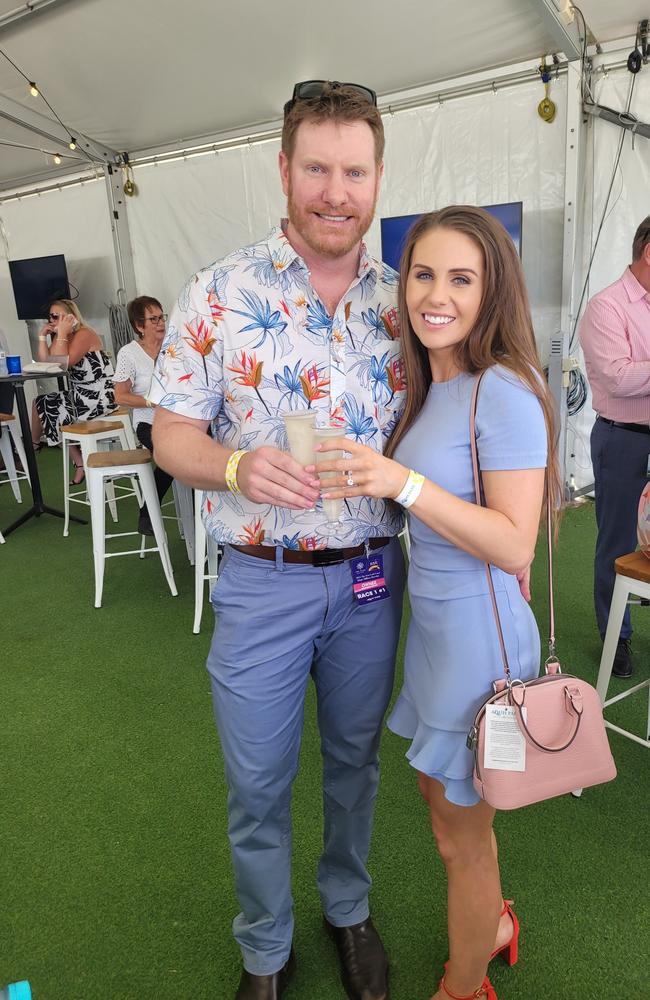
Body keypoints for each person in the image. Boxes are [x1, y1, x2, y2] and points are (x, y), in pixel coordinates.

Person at [150, 82, 406, 1000]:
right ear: (284, 168)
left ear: (377, 177)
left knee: (354, 764)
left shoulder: (403, 302)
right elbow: (168, 432)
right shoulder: (219, 294)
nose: (336, 192)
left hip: (373, 581)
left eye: (354, 171)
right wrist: (233, 468)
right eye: (318, 169)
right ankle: (265, 945)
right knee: (257, 780)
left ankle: (347, 909)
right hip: (262, 580)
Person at [316, 206, 559, 1000]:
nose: (436, 295)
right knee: (443, 809)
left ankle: (464, 984)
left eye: (462, 278)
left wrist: (403, 482)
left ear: (493, 291)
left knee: (464, 839)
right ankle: (490, 927)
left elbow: (517, 543)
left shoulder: (504, 390)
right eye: (423, 273)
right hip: (437, 633)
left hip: (478, 645)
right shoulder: (434, 383)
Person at [578, 215, 650, 679]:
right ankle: (616, 638)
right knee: (619, 543)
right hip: (623, 439)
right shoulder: (606, 307)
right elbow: (617, 377)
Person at [31, 299, 116, 483]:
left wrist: (61, 333)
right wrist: (41, 337)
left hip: (99, 397)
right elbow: (48, 363)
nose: (52, 320)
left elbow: (63, 365)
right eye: (50, 317)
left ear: (71, 317)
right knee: (45, 405)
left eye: (57, 316)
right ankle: (77, 462)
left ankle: (35, 446)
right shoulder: (64, 337)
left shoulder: (84, 334)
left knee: (47, 407)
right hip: (81, 395)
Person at [113, 296, 173, 535]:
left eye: (162, 317)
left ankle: (202, 525)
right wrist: (152, 401)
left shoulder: (174, 346)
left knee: (196, 451)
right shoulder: (129, 353)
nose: (160, 323)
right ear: (139, 326)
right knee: (172, 456)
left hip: (180, 420)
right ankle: (149, 510)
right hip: (148, 421)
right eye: (153, 319)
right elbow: (121, 396)